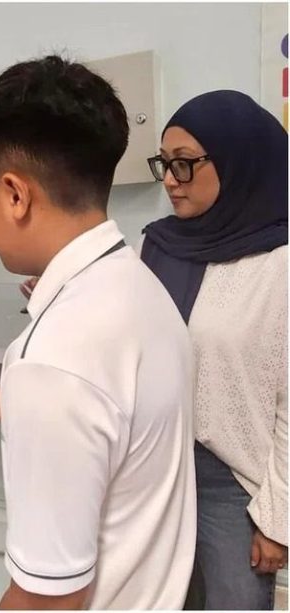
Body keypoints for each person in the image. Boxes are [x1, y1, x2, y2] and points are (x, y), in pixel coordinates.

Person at [0, 55, 197, 609]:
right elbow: (98, 429)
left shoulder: (57, 356)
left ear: (14, 194)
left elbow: (49, 600)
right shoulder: (138, 284)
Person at [142, 90, 288, 610]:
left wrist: (277, 520)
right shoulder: (160, 246)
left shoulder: (281, 264)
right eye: (164, 163)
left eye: (184, 165)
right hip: (157, 468)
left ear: (239, 161)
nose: (168, 180)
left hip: (235, 486)